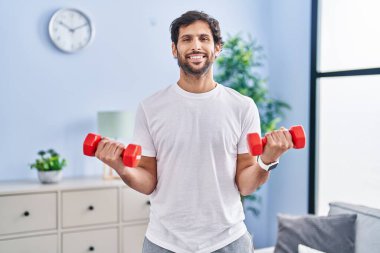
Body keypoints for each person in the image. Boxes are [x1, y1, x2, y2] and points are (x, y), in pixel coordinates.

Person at [95, 10, 293, 253]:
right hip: (164, 242)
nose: (195, 46)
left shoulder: (242, 106)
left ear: (217, 48)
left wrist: (268, 159)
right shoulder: (151, 107)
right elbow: (148, 181)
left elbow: (246, 184)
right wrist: (121, 168)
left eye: (204, 38)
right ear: (174, 49)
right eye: (186, 39)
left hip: (228, 241)